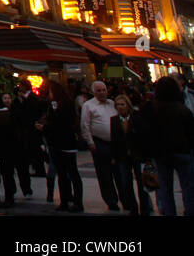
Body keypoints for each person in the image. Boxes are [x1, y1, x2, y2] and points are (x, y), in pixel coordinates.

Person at [139, 75, 194, 216]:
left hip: (161, 154)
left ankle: (169, 212)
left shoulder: (150, 109)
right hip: (182, 152)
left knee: (165, 188)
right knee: (188, 187)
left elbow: (144, 132)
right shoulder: (182, 110)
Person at [41, 80, 84, 212]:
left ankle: (73, 202)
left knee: (70, 172)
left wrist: (45, 126)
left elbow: (59, 123)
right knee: (65, 173)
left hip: (63, 142)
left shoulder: (63, 104)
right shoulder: (60, 103)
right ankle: (67, 200)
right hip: (61, 143)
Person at [81, 80, 122, 212]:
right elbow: (85, 124)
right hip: (100, 142)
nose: (102, 92)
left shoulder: (112, 103)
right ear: (93, 92)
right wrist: (90, 142)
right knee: (104, 174)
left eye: (104, 90)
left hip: (115, 143)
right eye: (99, 90)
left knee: (119, 172)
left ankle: (125, 198)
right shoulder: (88, 105)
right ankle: (111, 200)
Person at [110, 93, 151, 216]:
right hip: (122, 156)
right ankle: (133, 207)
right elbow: (114, 139)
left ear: (128, 105)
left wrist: (147, 156)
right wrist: (113, 156)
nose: (120, 107)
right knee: (126, 183)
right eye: (117, 105)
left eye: (122, 104)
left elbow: (144, 137)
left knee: (141, 183)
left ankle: (145, 208)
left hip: (137, 155)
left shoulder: (137, 118)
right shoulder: (114, 120)